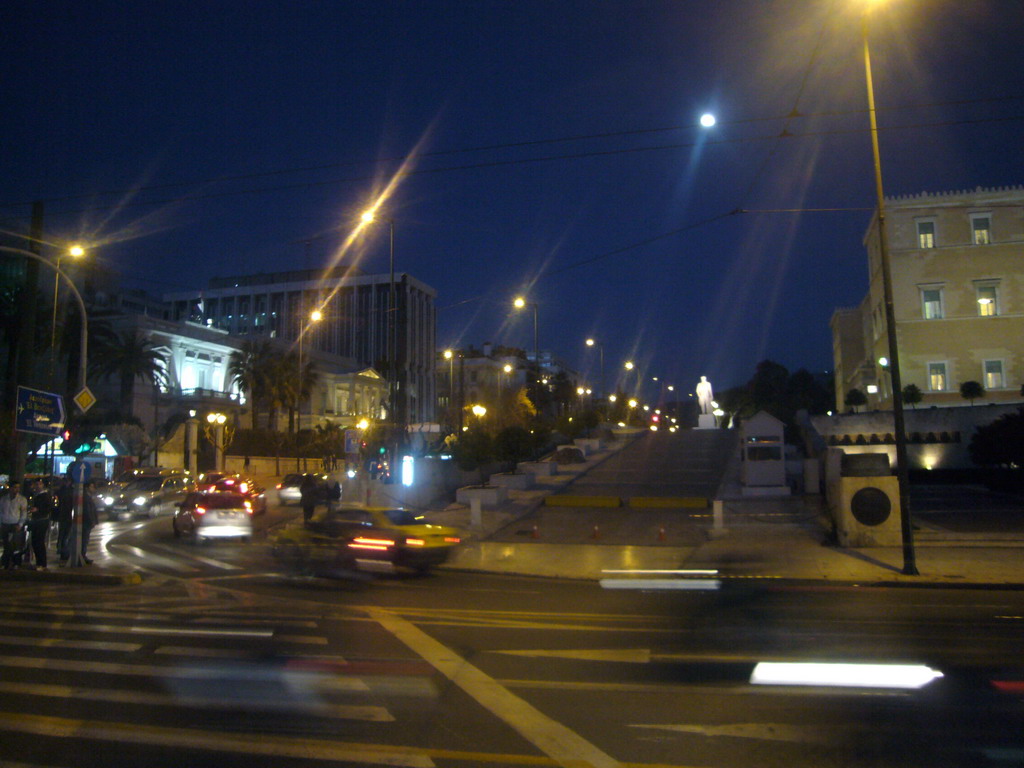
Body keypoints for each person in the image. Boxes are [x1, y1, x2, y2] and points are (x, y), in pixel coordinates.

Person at [0, 480, 29, 569]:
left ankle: (16, 562)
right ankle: (6, 563)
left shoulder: (22, 500)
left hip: (15, 523)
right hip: (5, 523)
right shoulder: (4, 499)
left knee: (16, 545)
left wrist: (20, 524)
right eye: (14, 487)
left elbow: (23, 513)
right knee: (6, 544)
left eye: (18, 488)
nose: (16, 489)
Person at [27, 479, 55, 570]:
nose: (38, 486)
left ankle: (42, 563)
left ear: (43, 485)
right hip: (36, 520)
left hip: (42, 520)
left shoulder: (45, 495)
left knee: (39, 542)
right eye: (36, 484)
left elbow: (48, 508)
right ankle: (39, 562)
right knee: (35, 542)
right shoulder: (36, 495)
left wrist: (38, 510)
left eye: (40, 484)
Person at [55, 476, 74, 566]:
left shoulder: (60, 491)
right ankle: (64, 552)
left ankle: (62, 551)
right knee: (65, 534)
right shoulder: (69, 491)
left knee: (63, 534)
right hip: (66, 515)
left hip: (63, 515)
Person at [80, 481, 99, 565]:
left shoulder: (87, 496)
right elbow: (88, 510)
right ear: (88, 488)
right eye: (92, 487)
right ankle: (82, 556)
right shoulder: (86, 497)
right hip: (86, 522)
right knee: (84, 539)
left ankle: (82, 555)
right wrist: (91, 521)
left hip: (86, 522)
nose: (93, 489)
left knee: (84, 539)